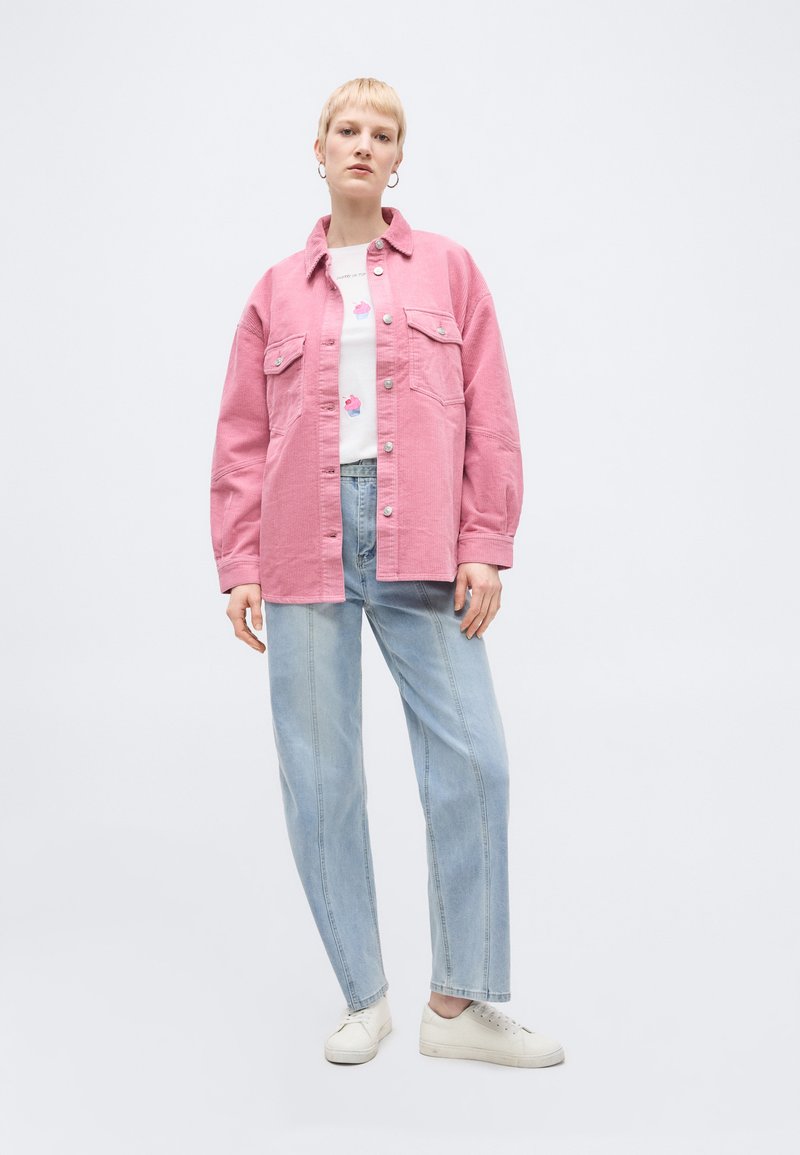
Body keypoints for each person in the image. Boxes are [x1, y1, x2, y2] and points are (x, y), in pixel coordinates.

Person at [210, 77, 565, 1069]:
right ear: (319, 149)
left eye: (382, 133)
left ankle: (456, 1003)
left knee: (476, 760)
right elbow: (242, 435)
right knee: (321, 781)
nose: (362, 144)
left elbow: (490, 413)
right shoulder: (274, 290)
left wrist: (484, 540)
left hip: (422, 541)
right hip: (300, 541)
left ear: (398, 158)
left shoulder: (450, 270)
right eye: (346, 129)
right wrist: (239, 560)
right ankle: (362, 995)